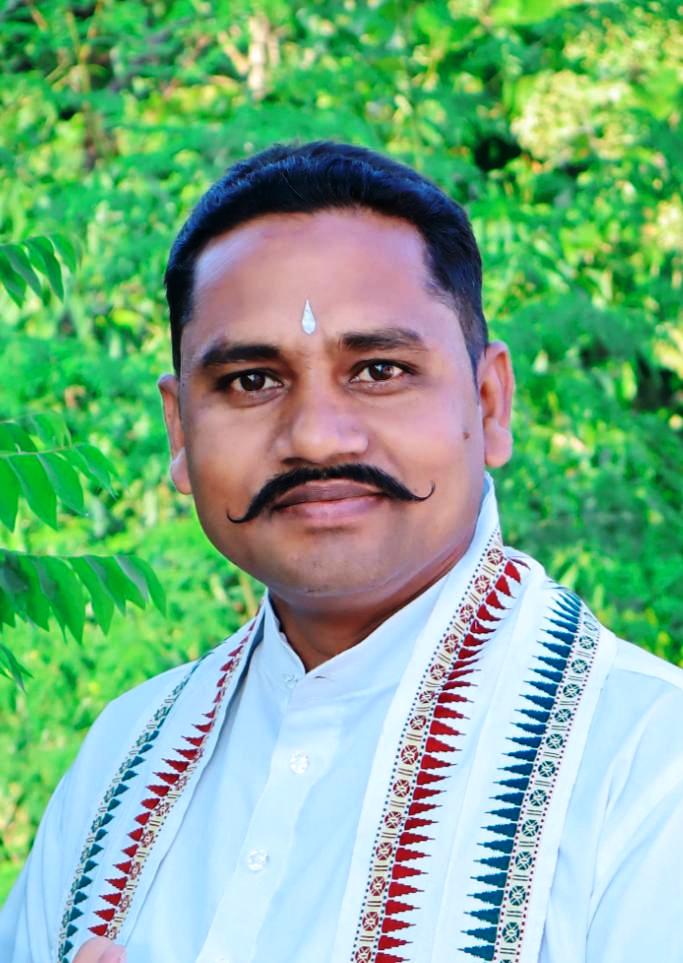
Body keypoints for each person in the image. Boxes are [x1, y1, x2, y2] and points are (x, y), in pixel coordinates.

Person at [1, 141, 682, 963]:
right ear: (180, 431)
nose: (318, 436)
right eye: (251, 381)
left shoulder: (645, 761)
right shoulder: (123, 758)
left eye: (379, 369)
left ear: (488, 402)